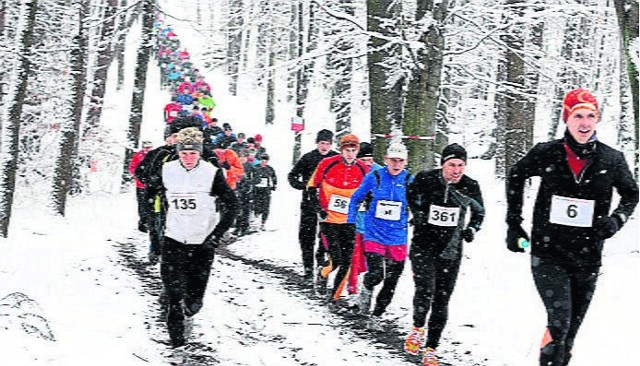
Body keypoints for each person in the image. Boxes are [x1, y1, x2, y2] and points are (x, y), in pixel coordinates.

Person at [505, 88, 638, 366]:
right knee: (560, 322)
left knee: (568, 337)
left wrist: (617, 220)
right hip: (548, 252)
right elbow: (516, 175)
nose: (584, 123)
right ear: (567, 118)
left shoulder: (611, 159)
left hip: (588, 256)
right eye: (578, 115)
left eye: (591, 116)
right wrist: (514, 223)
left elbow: (631, 194)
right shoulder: (547, 153)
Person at [405, 143, 485, 366]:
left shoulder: (470, 186)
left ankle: (431, 349)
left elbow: (480, 212)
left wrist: (471, 229)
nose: (456, 170)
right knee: (426, 289)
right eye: (452, 165)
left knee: (442, 299)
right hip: (423, 245)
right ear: (443, 165)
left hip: (451, 250)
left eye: (461, 165)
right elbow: (410, 195)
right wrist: (418, 213)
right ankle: (417, 328)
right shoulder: (426, 178)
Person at [158, 127, 238, 348]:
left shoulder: (211, 173)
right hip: (173, 239)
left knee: (194, 298)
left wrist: (216, 235)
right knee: (174, 295)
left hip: (202, 243)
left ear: (200, 153)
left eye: (193, 153)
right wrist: (150, 222)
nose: (189, 158)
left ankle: (190, 308)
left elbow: (232, 205)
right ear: (178, 152)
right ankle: (177, 344)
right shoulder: (167, 170)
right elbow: (149, 193)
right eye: (184, 153)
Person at [347, 142, 412, 330]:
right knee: (376, 273)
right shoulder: (374, 176)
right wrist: (351, 221)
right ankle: (366, 291)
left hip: (398, 236)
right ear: (386, 160)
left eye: (400, 161)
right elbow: (356, 198)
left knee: (392, 279)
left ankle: (376, 316)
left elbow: (420, 202)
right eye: (393, 160)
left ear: (405, 161)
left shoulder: (409, 180)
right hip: (374, 233)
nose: (396, 164)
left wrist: (419, 217)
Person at [308, 134, 370, 304]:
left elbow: (370, 192)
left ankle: (334, 298)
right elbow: (311, 186)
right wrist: (318, 209)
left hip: (350, 222)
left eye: (353, 151)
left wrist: (367, 203)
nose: (350, 154)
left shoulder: (364, 169)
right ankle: (322, 273)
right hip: (329, 220)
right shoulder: (327, 163)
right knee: (336, 259)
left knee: (347, 262)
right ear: (341, 150)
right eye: (347, 150)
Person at [287, 129, 339, 282]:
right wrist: (305, 186)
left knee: (326, 236)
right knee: (306, 236)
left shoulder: (335, 158)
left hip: (328, 205)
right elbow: (292, 176)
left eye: (328, 144)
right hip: (309, 203)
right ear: (317, 143)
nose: (324, 147)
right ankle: (308, 267)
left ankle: (322, 264)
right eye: (322, 143)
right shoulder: (308, 158)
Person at [347, 142, 383, 296]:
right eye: (364, 160)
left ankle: (366, 289)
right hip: (356, 223)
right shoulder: (352, 170)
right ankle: (352, 289)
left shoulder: (380, 172)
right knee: (354, 259)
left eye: (370, 160)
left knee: (371, 261)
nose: (368, 164)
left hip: (374, 225)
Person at [129, 141, 154, 232]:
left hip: (151, 185)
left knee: (152, 205)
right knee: (142, 204)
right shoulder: (138, 156)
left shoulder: (154, 155)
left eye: (149, 147)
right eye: (146, 147)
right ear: (143, 148)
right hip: (141, 186)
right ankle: (143, 223)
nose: (147, 149)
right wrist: (138, 177)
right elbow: (132, 168)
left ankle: (151, 222)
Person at [252, 153, 277, 230]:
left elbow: (274, 177)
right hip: (256, 189)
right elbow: (250, 176)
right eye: (262, 161)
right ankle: (256, 221)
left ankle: (263, 223)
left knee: (265, 206)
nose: (263, 163)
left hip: (266, 189)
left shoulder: (270, 168)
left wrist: (274, 185)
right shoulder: (255, 168)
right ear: (260, 161)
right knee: (256, 205)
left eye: (265, 161)